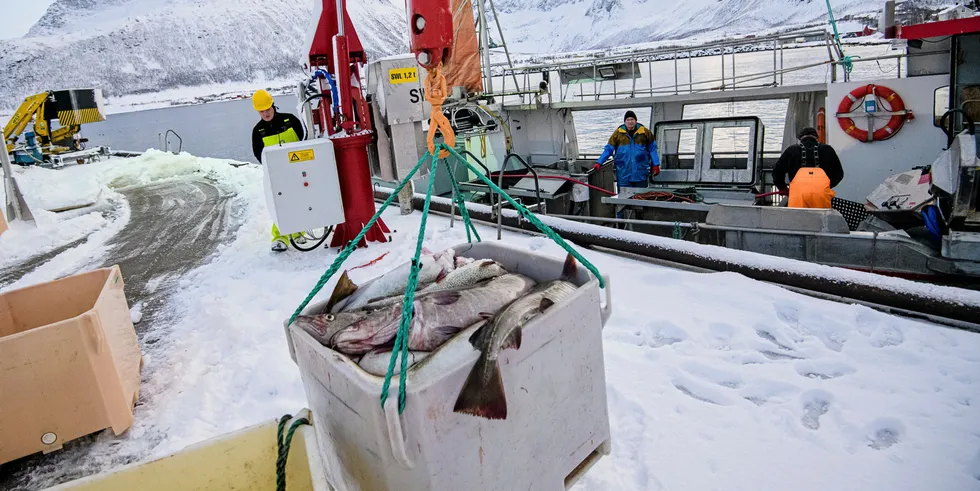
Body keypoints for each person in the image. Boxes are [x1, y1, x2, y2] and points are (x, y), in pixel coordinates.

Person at [251, 89, 308, 252]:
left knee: (300, 201)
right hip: (277, 175)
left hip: (298, 170)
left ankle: (298, 232)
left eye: (267, 110)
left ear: (273, 106)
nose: (265, 113)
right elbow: (258, 153)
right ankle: (280, 237)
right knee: (280, 205)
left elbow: (305, 139)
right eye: (262, 111)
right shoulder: (258, 131)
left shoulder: (290, 120)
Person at [772, 127, 844, 209]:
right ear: (817, 137)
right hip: (821, 195)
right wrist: (826, 186)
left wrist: (783, 188)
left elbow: (777, 172)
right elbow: (839, 174)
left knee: (798, 218)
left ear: (800, 138)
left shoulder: (791, 150)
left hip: (798, 195)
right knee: (822, 219)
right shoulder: (828, 150)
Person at [594, 110, 660, 189]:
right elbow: (608, 149)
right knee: (623, 198)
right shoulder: (617, 133)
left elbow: (652, 149)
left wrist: (656, 164)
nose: (630, 122)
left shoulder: (645, 132)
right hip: (623, 173)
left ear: (636, 121)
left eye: (632, 119)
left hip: (640, 173)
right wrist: (599, 162)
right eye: (628, 120)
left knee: (640, 197)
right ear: (625, 122)